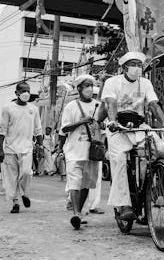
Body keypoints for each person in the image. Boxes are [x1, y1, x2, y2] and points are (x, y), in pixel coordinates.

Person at [101, 51, 164, 222]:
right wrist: (112, 122)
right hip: (118, 127)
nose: (137, 68)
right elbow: (110, 103)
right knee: (120, 160)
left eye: (139, 65)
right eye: (133, 64)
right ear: (125, 67)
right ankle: (124, 205)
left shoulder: (145, 83)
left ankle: (161, 192)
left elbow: (153, 104)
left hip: (139, 127)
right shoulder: (112, 82)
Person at [61, 74, 102, 229]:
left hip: (92, 151)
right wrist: (80, 122)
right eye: (86, 86)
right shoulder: (71, 106)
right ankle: (76, 213)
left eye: (91, 85)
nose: (90, 89)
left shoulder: (98, 105)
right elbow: (64, 128)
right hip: (74, 151)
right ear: (79, 88)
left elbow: (102, 124)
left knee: (86, 184)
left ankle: (79, 212)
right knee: (74, 182)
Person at [0, 82, 43, 214]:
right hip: (10, 149)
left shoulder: (33, 109)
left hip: (27, 148)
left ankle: (24, 193)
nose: (26, 93)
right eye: (23, 90)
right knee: (12, 177)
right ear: (16, 93)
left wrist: (40, 146)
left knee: (26, 173)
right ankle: (16, 202)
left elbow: (38, 129)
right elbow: (2, 130)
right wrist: (0, 149)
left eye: (28, 90)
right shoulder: (7, 108)